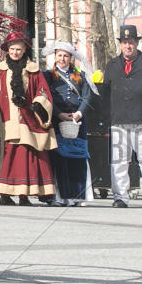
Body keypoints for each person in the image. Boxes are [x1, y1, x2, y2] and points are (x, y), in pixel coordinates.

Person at [103, 24, 142, 210]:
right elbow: (106, 92)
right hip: (119, 121)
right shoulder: (112, 66)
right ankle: (120, 197)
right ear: (120, 44)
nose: (128, 46)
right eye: (124, 43)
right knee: (119, 162)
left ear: (136, 43)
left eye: (131, 42)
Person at [0, 22, 56, 204]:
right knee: (8, 155)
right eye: (12, 49)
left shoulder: (33, 70)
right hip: (6, 118)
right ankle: (5, 194)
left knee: (27, 155)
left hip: (28, 119)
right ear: (7, 50)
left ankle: (24, 194)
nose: (15, 53)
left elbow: (43, 92)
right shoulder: (0, 70)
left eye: (18, 49)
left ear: (24, 50)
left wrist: (37, 104)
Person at [45, 42, 91, 205]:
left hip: (77, 120)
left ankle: (78, 195)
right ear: (55, 57)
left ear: (70, 58)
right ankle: (60, 196)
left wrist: (79, 113)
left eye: (65, 56)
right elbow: (47, 97)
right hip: (58, 120)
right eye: (59, 55)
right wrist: (59, 114)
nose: (62, 59)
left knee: (77, 158)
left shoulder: (80, 75)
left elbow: (87, 96)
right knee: (59, 158)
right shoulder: (48, 75)